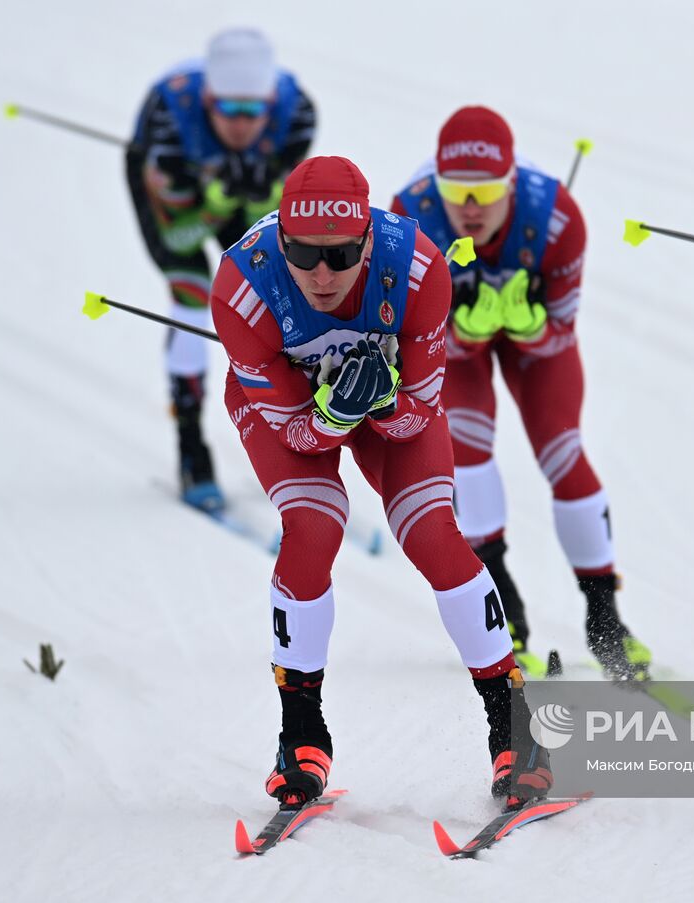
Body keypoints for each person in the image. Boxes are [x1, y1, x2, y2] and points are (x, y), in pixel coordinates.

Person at [208, 155, 550, 809]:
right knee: (313, 524)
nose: (321, 273)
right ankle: (300, 735)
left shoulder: (418, 269)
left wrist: (380, 401)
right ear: (282, 239)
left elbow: (414, 417)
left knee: (433, 535)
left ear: (368, 241)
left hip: (387, 409)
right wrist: (334, 409)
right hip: (294, 414)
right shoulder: (241, 289)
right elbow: (297, 436)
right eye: (304, 254)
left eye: (340, 256)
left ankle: (514, 725)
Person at [390, 106, 651, 682]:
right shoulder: (407, 220)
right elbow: (409, 346)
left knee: (563, 453)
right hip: (454, 349)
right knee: (469, 455)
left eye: (485, 190)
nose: (471, 207)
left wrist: (531, 328)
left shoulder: (557, 217)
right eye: (456, 190)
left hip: (535, 348)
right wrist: (462, 332)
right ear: (437, 184)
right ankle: (506, 609)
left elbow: (561, 329)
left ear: (510, 182)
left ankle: (606, 620)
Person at [126, 27, 316, 512]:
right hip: (176, 196)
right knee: (191, 293)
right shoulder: (170, 123)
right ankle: (191, 446)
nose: (241, 123)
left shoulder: (297, 117)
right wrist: (214, 201)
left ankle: (292, 437)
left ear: (272, 104)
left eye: (254, 111)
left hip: (231, 189)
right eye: (228, 109)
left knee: (273, 291)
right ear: (208, 100)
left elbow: (274, 226)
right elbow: (179, 236)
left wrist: (258, 195)